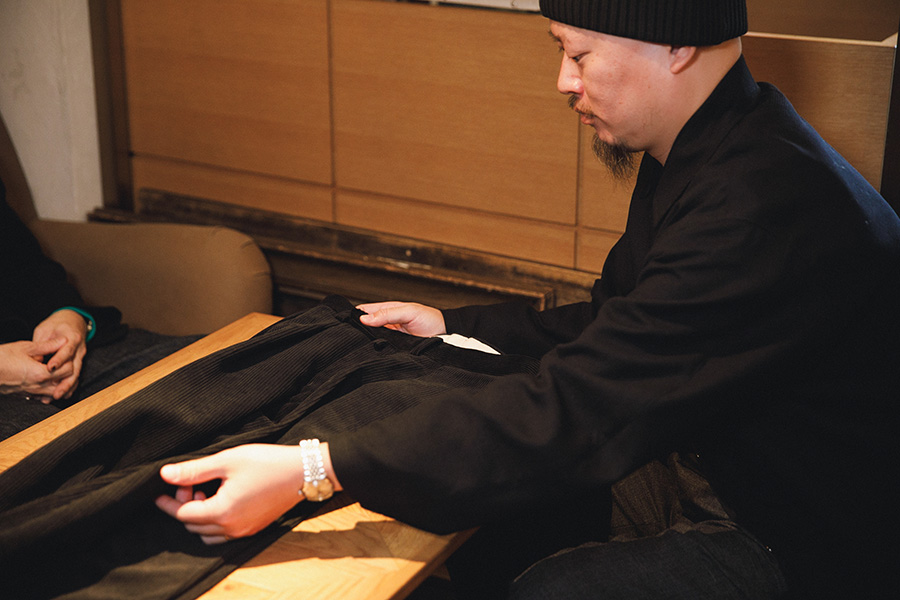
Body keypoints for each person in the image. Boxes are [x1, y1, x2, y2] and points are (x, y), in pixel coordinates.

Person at [154, 0, 900, 598]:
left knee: (550, 585)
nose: (564, 82)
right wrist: (451, 325)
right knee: (474, 486)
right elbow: (620, 319)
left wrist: (311, 470)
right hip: (707, 452)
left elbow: (584, 401)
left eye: (579, 54)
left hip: (788, 530)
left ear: (675, 45)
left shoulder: (760, 202)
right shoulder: (718, 140)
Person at [0, 178, 199, 439]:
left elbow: (23, 261)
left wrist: (68, 315)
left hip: (48, 348)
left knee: (217, 366)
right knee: (73, 445)